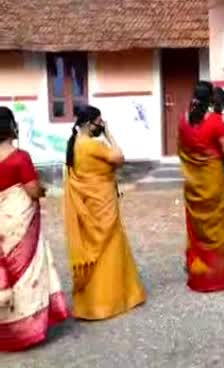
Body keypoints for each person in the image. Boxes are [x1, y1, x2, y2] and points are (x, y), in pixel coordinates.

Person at [63, 105, 146, 318]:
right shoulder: (91, 145)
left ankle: (90, 303)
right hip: (103, 204)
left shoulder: (74, 144)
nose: (101, 125)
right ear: (89, 123)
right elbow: (119, 158)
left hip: (89, 206)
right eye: (99, 122)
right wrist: (109, 134)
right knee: (109, 249)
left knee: (94, 248)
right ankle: (111, 301)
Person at [0, 107, 68, 351]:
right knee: (26, 272)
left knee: (4, 271)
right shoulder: (20, 157)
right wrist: (42, 190)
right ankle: (26, 330)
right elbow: (31, 190)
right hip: (19, 223)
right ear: (12, 128)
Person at [178, 82, 224, 292]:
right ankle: (218, 272)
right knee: (218, 226)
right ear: (212, 99)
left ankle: (197, 266)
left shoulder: (183, 120)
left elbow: (182, 149)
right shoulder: (216, 122)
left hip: (193, 184)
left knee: (197, 227)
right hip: (213, 182)